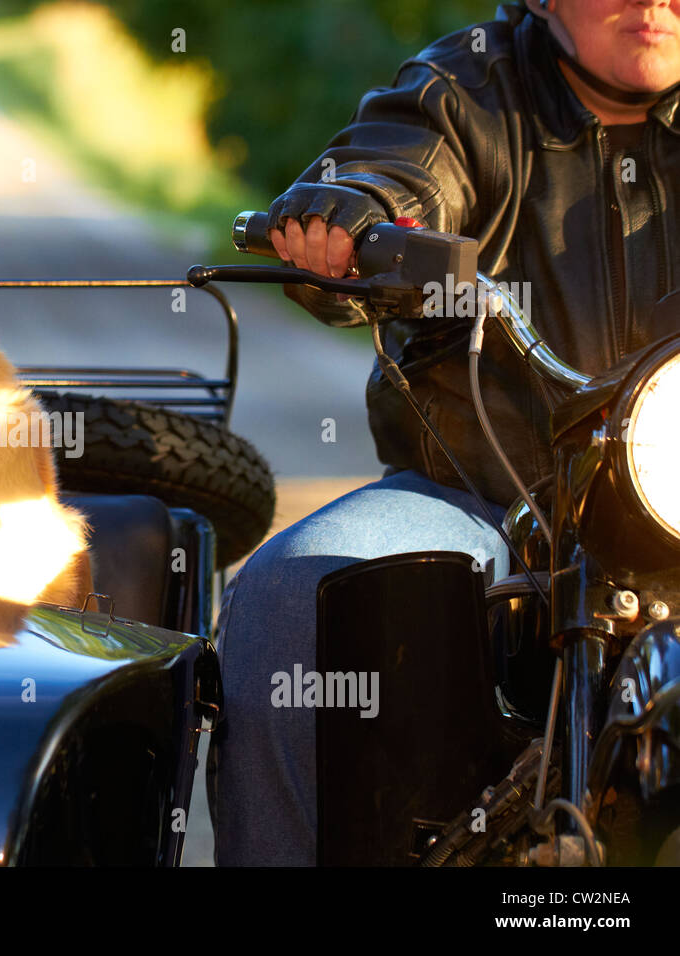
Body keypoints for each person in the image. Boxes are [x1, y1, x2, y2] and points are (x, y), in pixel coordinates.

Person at [209, 0, 680, 866]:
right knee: (291, 596)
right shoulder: (469, 87)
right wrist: (353, 212)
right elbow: (397, 171)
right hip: (484, 502)